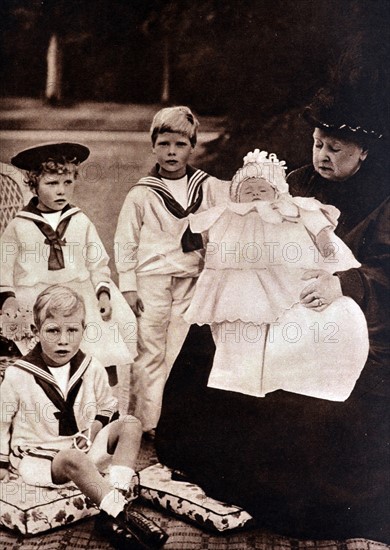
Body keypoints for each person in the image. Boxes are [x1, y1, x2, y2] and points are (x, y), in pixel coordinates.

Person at [155, 91, 390, 542]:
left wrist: (343, 284)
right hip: (279, 295)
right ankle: (206, 458)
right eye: (319, 143)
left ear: (364, 151)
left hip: (355, 305)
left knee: (321, 378)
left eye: (336, 149)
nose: (323, 155)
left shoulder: (383, 196)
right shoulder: (296, 184)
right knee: (217, 335)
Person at [183, 149, 368, 401]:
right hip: (240, 284)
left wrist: (328, 251)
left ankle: (290, 381)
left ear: (278, 192)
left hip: (286, 278)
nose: (256, 196)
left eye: (263, 190)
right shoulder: (228, 214)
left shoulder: (292, 208)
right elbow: (201, 237)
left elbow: (319, 227)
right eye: (248, 191)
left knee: (287, 328)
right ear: (236, 196)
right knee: (239, 330)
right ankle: (237, 383)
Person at [0, 285, 168, 549]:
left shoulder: (91, 366)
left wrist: (94, 428)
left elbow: (108, 406)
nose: (63, 340)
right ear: (35, 331)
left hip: (82, 446)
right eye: (53, 330)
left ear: (84, 331)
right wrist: (1, 464)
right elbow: (1, 421)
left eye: (72, 330)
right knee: (71, 458)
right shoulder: (18, 373)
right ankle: (123, 513)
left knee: (130, 424)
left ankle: (110, 509)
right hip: (39, 458)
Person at [115, 106, 228, 433]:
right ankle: (144, 423)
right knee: (150, 349)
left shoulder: (206, 187)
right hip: (151, 280)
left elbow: (239, 199)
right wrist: (128, 284)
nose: (171, 152)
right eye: (164, 144)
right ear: (153, 146)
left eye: (180, 144)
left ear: (192, 146)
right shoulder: (142, 193)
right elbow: (126, 240)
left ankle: (171, 420)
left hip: (191, 279)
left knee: (179, 349)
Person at [0, 143, 137, 410]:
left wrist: (103, 293)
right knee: (46, 353)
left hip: (79, 294)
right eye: (52, 183)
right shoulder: (19, 225)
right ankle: (48, 409)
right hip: (36, 296)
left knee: (100, 347)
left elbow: (97, 261)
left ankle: (105, 409)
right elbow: (3, 265)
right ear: (33, 184)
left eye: (67, 182)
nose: (61, 190)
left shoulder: (80, 221)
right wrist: (8, 297)